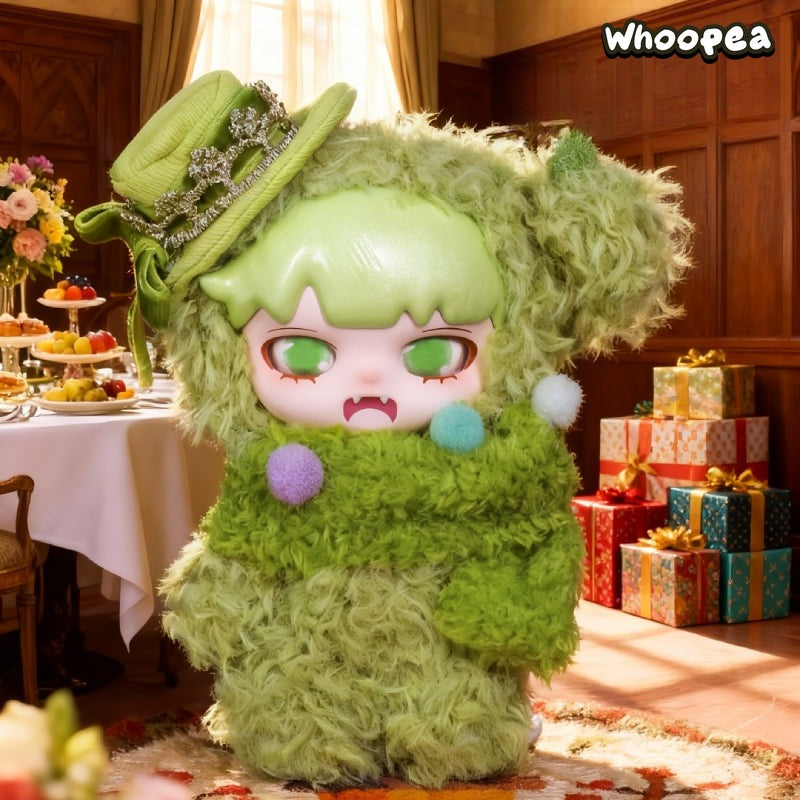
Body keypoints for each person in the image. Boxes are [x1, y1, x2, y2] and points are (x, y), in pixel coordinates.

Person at [75, 70, 691, 788]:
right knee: (297, 717)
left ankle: (453, 725)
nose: (368, 382)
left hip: (446, 651)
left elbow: (525, 545)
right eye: (304, 354)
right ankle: (306, 726)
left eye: (432, 354)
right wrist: (218, 599)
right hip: (305, 664)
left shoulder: (500, 471)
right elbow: (242, 552)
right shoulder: (279, 477)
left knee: (457, 720)